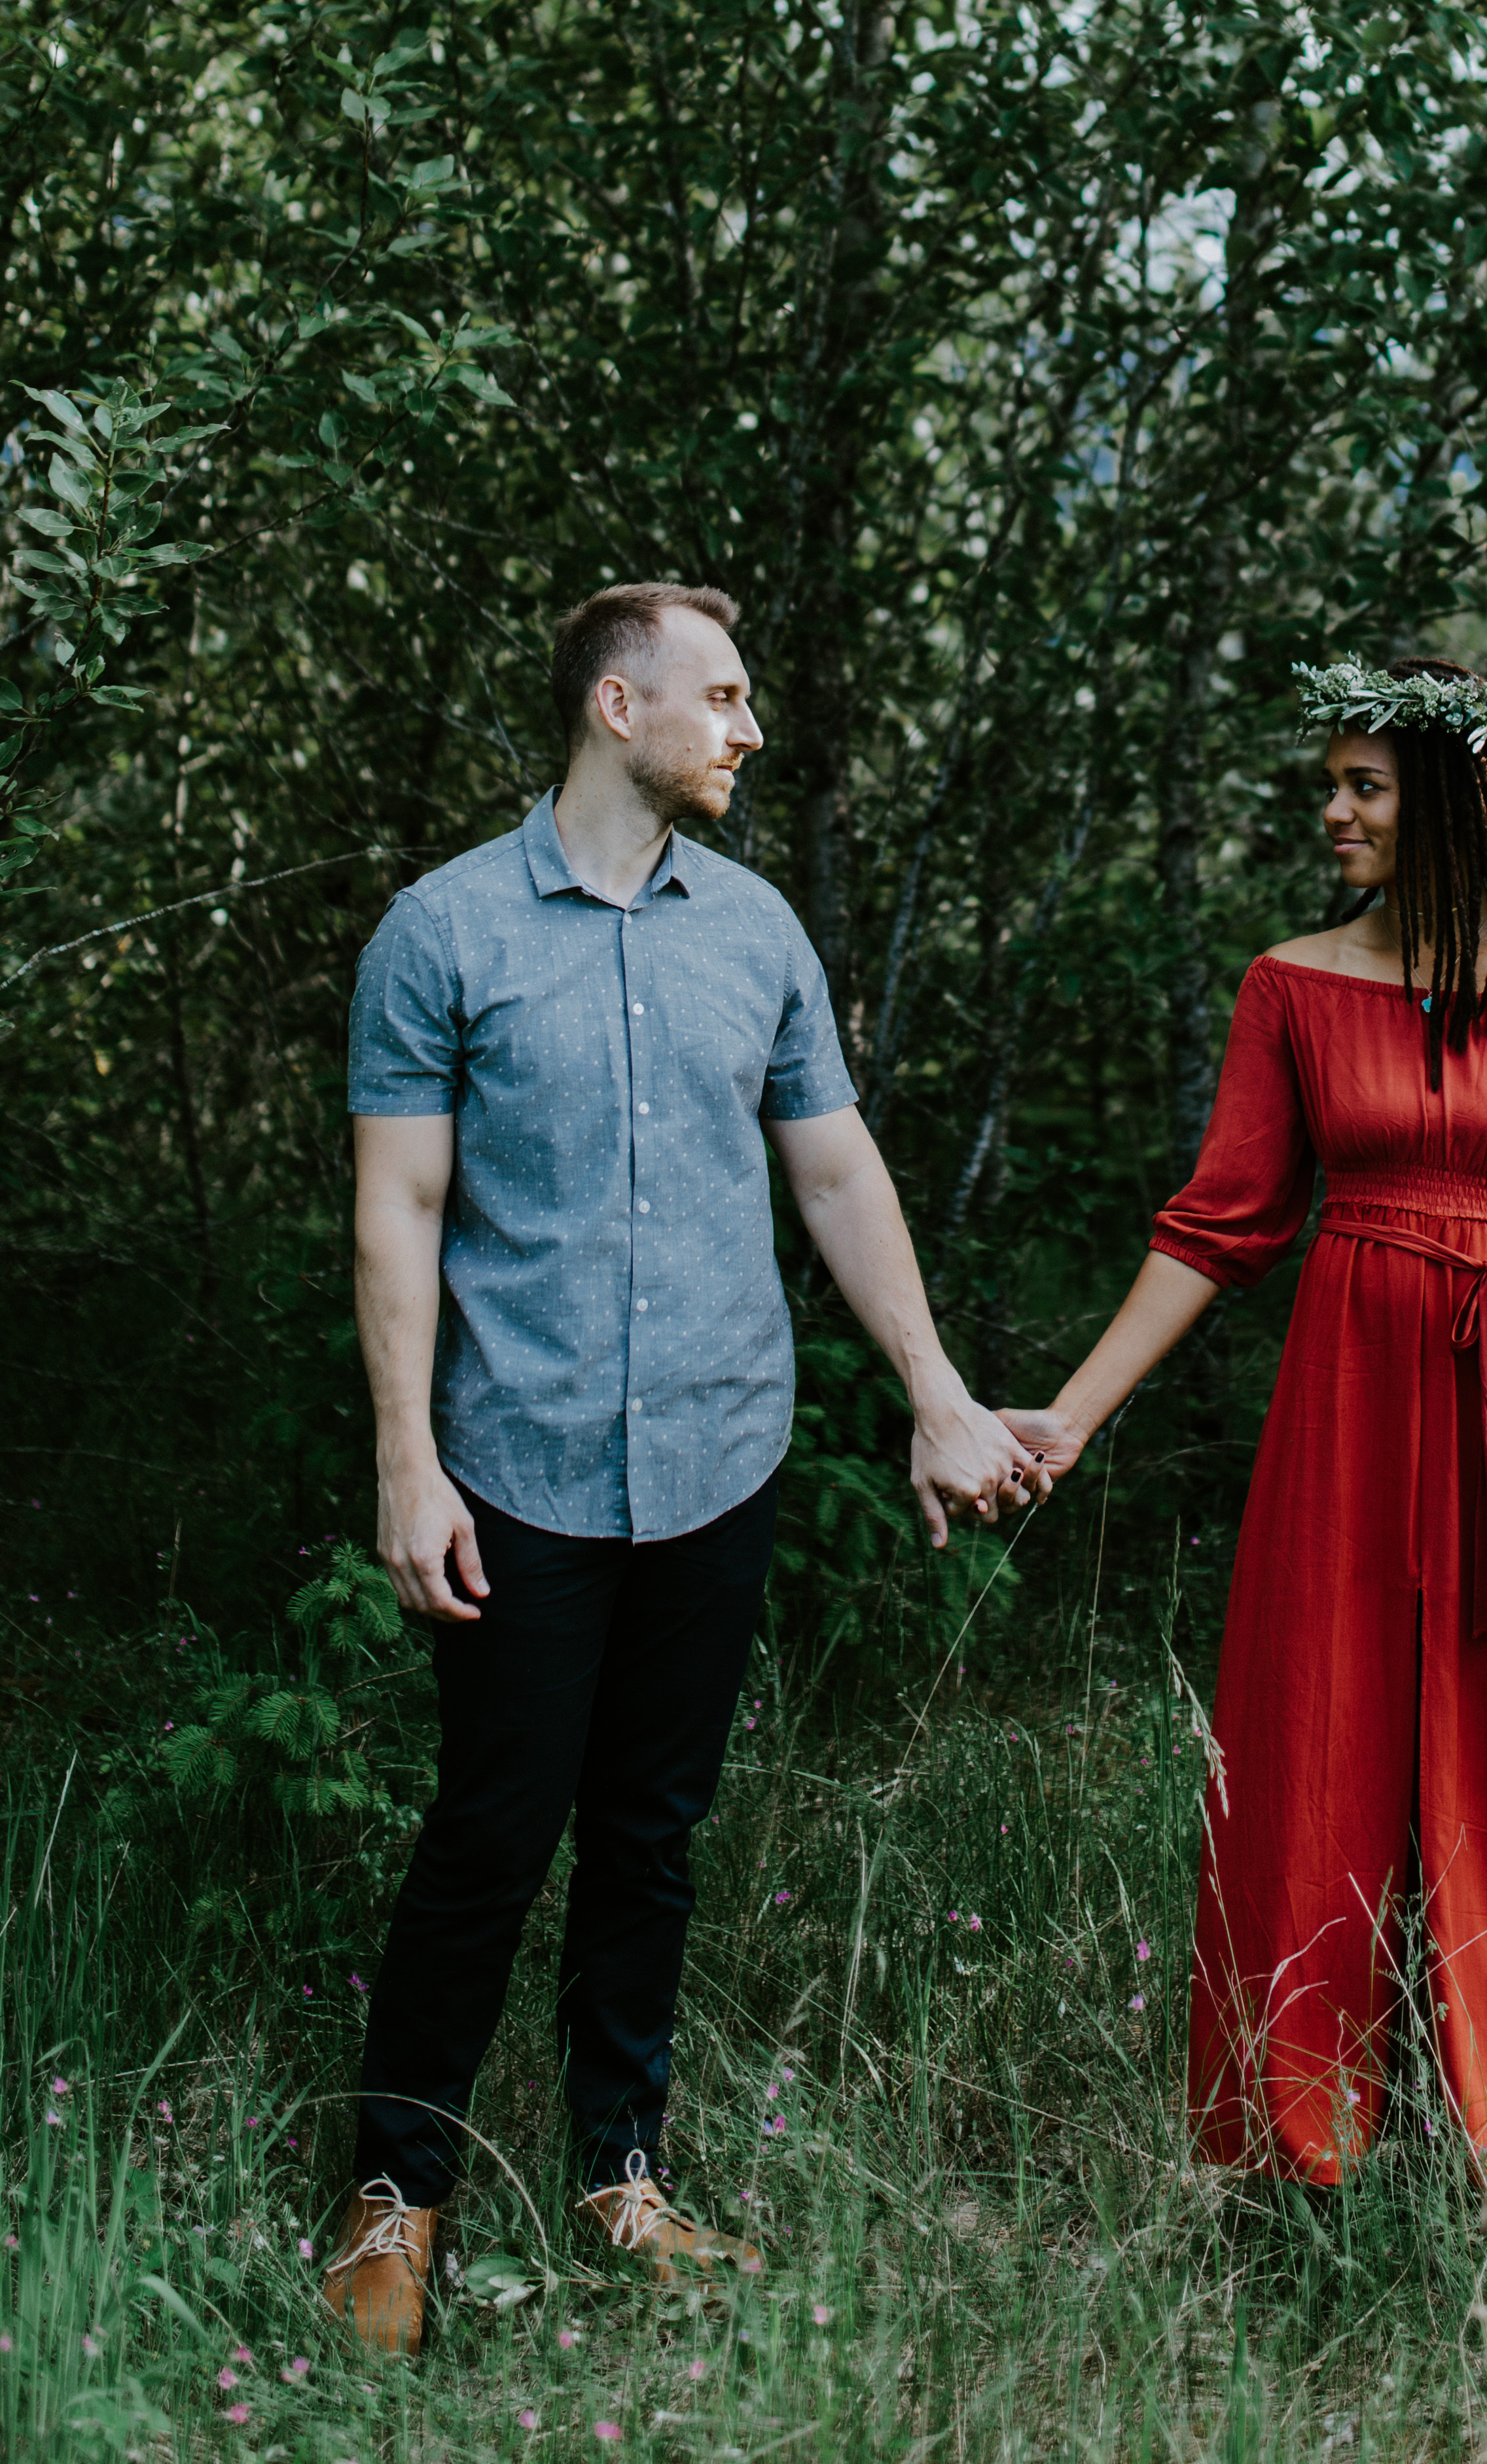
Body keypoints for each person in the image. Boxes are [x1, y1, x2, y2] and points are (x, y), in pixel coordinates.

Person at [325, 580, 1041, 2350]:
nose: (749, 727)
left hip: (723, 1457)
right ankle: (395, 2197)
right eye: (719, 696)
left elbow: (837, 1176)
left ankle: (619, 2175)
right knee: (493, 1835)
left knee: (652, 1835)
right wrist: (410, 1466)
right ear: (614, 709)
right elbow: (397, 1213)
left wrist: (936, 1392)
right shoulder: (443, 934)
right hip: (521, 1471)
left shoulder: (760, 936)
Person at [1005, 652, 1487, 2204]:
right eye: (1328, 784)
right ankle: (1298, 2134)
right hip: (1347, 1409)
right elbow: (1219, 1226)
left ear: (1447, 798)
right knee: (1313, 1738)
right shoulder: (1294, 980)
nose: (1331, 810)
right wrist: (1069, 1418)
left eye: (1361, 785)